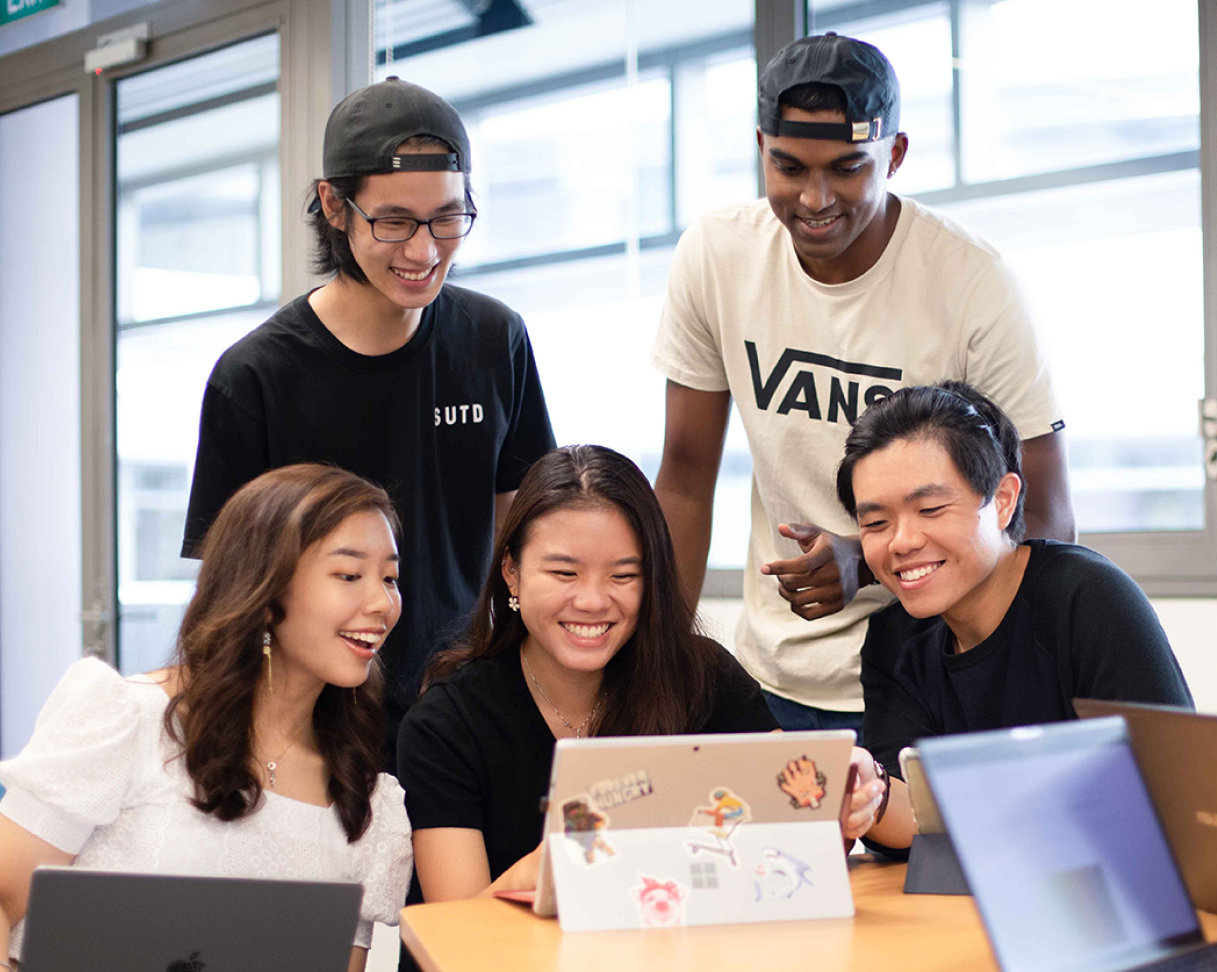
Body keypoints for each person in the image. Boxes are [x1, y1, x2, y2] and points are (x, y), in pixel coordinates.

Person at [651, 33, 1076, 738]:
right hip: (773, 680)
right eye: (787, 167)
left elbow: (1047, 518)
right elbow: (686, 480)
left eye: (847, 169)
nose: (814, 199)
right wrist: (656, 667)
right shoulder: (718, 257)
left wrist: (868, 556)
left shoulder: (973, 283)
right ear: (761, 147)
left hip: (936, 675)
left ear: (895, 154)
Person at [182, 77, 556, 764]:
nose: (424, 251)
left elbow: (527, 528)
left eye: (448, 218)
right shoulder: (255, 377)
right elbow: (226, 596)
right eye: (394, 223)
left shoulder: (493, 339)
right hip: (317, 726)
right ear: (334, 204)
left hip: (469, 709)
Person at [397, 445, 885, 902]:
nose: (592, 601)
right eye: (564, 574)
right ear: (511, 572)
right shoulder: (446, 724)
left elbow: (790, 838)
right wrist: (548, 870)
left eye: (623, 576)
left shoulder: (702, 678)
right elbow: (455, 938)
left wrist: (842, 802)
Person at [0, 464, 413, 970]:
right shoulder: (128, 718)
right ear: (265, 590)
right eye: (349, 575)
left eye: (390, 578)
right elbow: (3, 896)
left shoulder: (365, 798)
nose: (381, 602)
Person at [833, 382, 1193, 850]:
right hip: (967, 903)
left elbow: (1172, 794)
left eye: (930, 508)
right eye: (876, 523)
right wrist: (872, 794)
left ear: (1002, 500)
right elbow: (913, 816)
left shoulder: (1086, 599)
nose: (901, 542)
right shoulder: (893, 638)